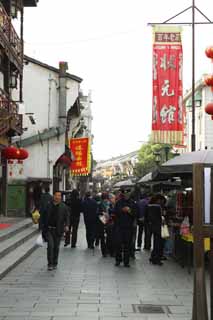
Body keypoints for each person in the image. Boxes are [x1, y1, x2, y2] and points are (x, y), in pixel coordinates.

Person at [41, 191, 69, 271]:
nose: (58, 197)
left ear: (61, 197)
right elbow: (43, 216)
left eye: (59, 195)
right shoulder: (48, 205)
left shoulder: (64, 207)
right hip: (49, 229)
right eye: (56, 195)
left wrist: (67, 225)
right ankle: (50, 264)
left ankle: (55, 263)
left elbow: (67, 217)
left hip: (58, 230)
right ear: (53, 196)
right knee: (50, 246)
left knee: (56, 247)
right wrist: (42, 227)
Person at [113, 189, 136, 267]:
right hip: (119, 226)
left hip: (129, 227)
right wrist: (122, 210)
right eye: (125, 193)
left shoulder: (132, 203)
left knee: (128, 245)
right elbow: (114, 212)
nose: (127, 195)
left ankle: (126, 261)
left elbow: (136, 214)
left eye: (128, 193)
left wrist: (130, 211)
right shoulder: (118, 202)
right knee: (118, 244)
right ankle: (118, 260)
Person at [147, 194, 164, 266]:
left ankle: (153, 257)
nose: (162, 202)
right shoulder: (157, 207)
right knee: (159, 244)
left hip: (153, 227)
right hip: (158, 227)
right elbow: (159, 217)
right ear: (158, 200)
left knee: (156, 243)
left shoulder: (149, 206)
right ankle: (156, 259)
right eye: (162, 200)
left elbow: (147, 217)